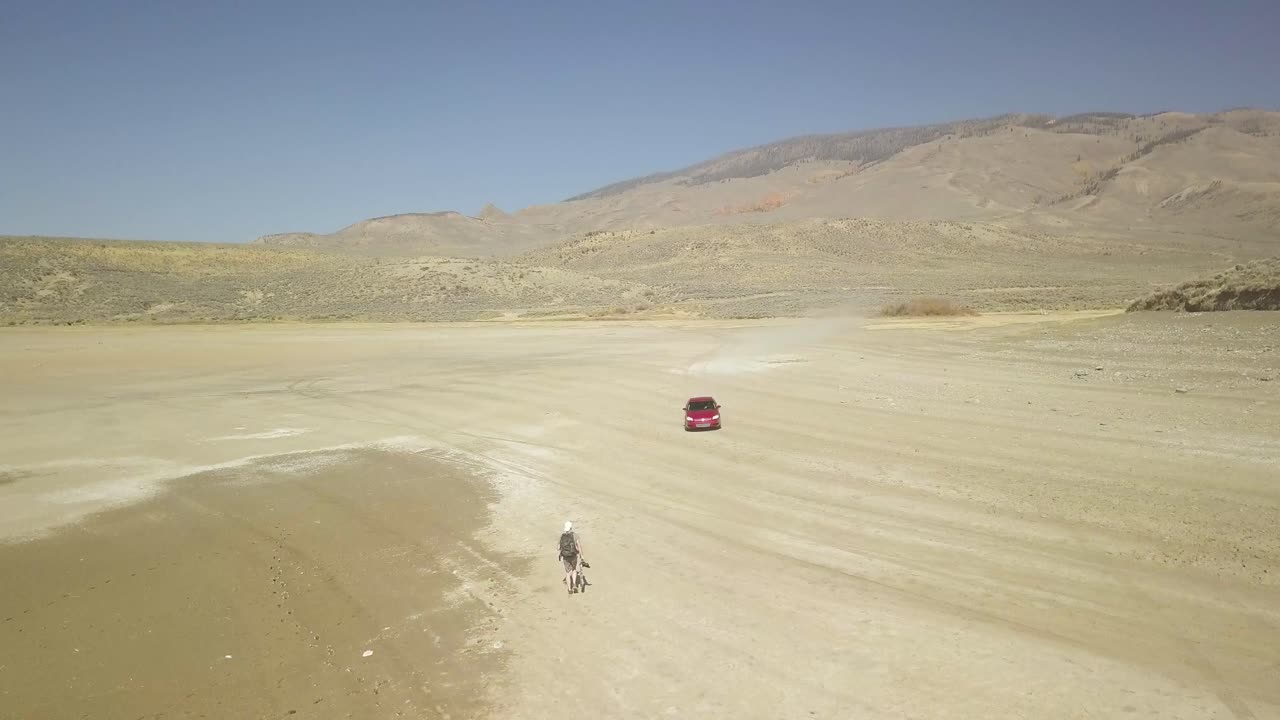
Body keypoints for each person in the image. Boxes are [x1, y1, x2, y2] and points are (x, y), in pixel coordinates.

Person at [558, 521, 583, 594]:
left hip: (565, 556)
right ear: (571, 527)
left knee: (568, 572)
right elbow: (579, 546)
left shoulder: (562, 536)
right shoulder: (575, 535)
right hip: (573, 555)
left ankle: (569, 589)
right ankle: (575, 585)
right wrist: (581, 555)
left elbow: (558, 547)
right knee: (574, 569)